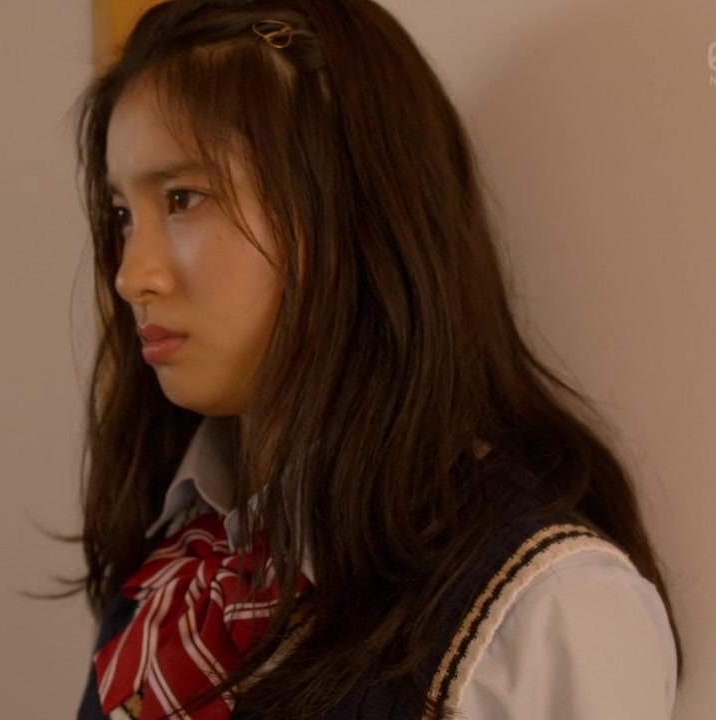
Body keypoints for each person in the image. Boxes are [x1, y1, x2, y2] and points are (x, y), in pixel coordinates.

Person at [64, 1, 683, 718]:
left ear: (349, 210)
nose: (131, 276)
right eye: (123, 215)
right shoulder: (174, 552)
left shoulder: (545, 617)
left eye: (184, 198)